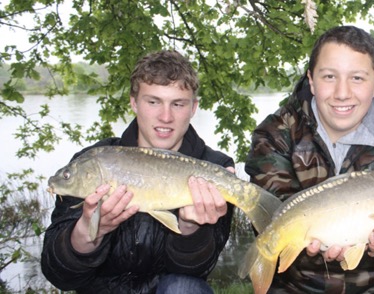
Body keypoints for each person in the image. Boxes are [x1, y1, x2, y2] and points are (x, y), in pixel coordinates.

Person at [244, 25, 374, 293]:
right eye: (329, 76)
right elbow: (273, 217)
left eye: (357, 78)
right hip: (296, 287)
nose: (342, 93)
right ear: (311, 80)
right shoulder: (276, 133)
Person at [41, 50, 234, 293]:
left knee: (185, 288)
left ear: (193, 107)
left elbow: (196, 271)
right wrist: (87, 233)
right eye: (153, 102)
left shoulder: (214, 168)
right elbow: (59, 275)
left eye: (178, 104)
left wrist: (190, 228)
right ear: (134, 102)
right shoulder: (92, 163)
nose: (166, 117)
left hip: (171, 288)